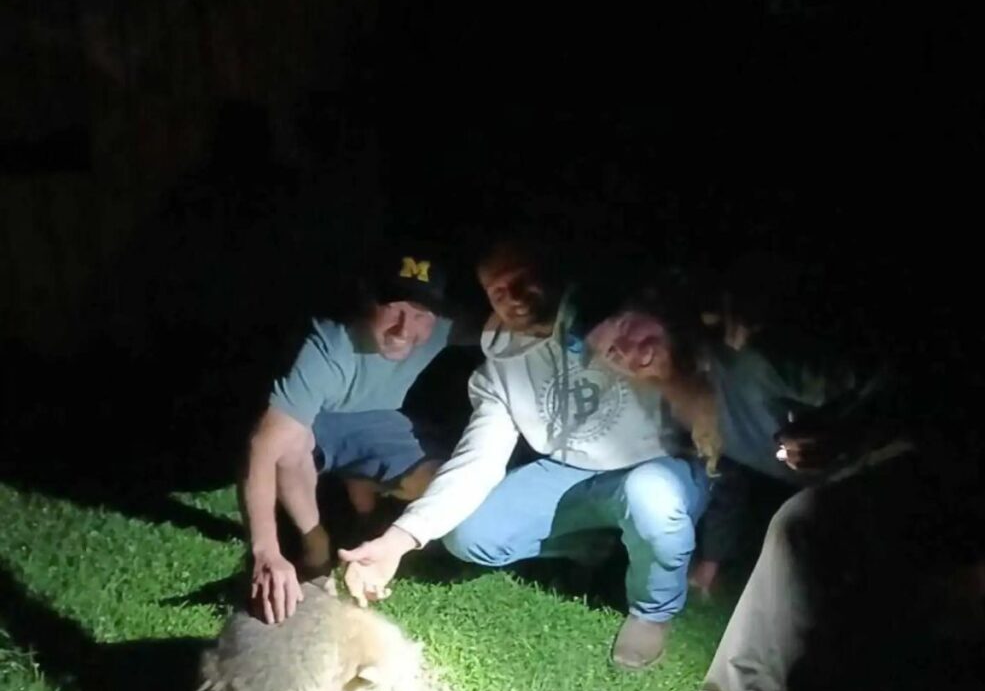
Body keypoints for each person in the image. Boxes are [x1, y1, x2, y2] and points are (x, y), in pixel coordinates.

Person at [586, 269, 940, 691]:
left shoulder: (757, 361)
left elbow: (903, 390)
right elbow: (727, 475)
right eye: (612, 353)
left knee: (799, 525)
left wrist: (847, 434)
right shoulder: (692, 406)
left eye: (627, 328)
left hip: (918, 468)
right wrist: (711, 558)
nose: (628, 350)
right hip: (856, 495)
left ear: (662, 313)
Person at [338, 239, 714, 669]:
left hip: (656, 465)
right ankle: (595, 545)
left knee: (653, 496)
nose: (513, 297)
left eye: (523, 281)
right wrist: (397, 541)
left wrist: (670, 374)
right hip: (566, 471)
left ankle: (653, 612)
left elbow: (712, 409)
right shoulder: (500, 367)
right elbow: (475, 463)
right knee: (469, 535)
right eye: (498, 290)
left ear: (552, 274)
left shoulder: (622, 322)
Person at [242, 247, 469, 624]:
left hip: (375, 420)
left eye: (420, 314)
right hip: (317, 422)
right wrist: (266, 550)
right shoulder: (327, 344)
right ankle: (316, 547)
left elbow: (511, 328)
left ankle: (362, 496)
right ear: (368, 299)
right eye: (393, 307)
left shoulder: (442, 328)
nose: (404, 328)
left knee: (441, 481)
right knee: (288, 445)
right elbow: (262, 448)